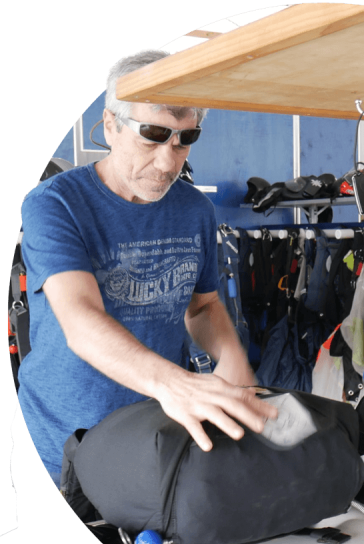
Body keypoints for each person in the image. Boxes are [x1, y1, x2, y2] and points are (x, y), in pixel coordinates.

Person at [18, 49, 277, 489]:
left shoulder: (196, 210)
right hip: (63, 443)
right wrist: (177, 384)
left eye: (183, 139)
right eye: (152, 136)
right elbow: (81, 321)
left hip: (157, 433)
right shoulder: (54, 205)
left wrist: (231, 360)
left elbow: (202, 307)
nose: (167, 162)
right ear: (112, 125)